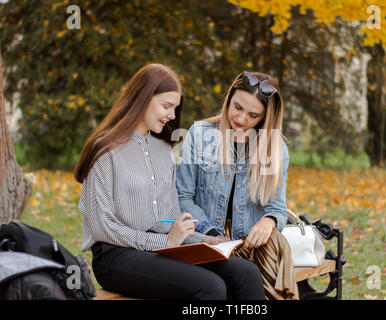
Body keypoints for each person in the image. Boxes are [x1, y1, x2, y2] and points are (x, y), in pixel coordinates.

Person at [74, 64, 264, 300]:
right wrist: (163, 241)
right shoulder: (105, 150)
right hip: (116, 256)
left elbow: (170, 217)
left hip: (163, 249)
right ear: (142, 98)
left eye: (175, 108)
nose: (173, 116)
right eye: (166, 106)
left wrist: (206, 240)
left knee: (246, 272)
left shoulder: (163, 149)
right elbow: (103, 227)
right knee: (210, 286)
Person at [176, 71, 299, 300]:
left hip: (251, 240)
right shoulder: (200, 134)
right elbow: (183, 197)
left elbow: (277, 208)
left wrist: (268, 221)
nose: (241, 119)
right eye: (237, 107)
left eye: (253, 115)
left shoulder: (275, 149)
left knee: (277, 242)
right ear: (229, 99)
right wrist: (210, 233)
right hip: (206, 234)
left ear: (265, 117)